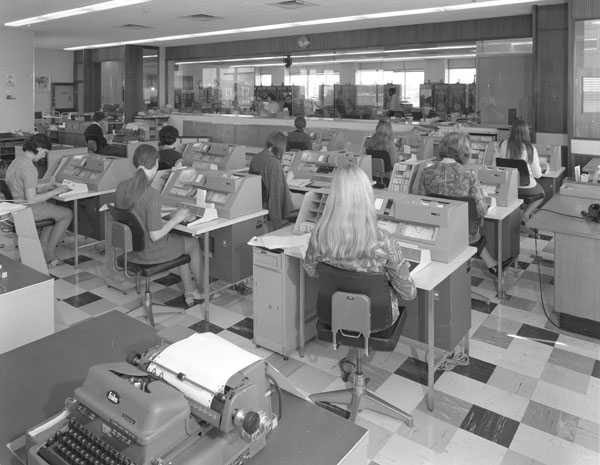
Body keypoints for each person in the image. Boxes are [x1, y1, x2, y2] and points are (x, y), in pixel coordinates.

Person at [304, 163, 416, 381]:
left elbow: (310, 270)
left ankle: (350, 361)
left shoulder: (319, 235)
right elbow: (408, 293)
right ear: (366, 196)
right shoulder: (384, 240)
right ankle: (352, 362)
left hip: (334, 315)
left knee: (352, 300)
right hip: (379, 321)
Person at [114, 144, 204, 308]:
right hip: (150, 253)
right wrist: (175, 219)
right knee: (193, 243)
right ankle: (204, 290)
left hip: (130, 252)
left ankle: (189, 290)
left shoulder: (121, 186)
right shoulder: (152, 195)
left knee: (181, 241)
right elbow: (155, 235)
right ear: (156, 163)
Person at [417, 132, 510, 277]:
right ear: (464, 152)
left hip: (437, 230)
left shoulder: (426, 172)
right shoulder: (468, 175)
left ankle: (493, 266)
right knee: (475, 234)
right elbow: (481, 210)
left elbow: (422, 202)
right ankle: (493, 267)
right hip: (464, 233)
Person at [6, 133, 73, 267]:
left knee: (53, 206)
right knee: (66, 214)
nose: (44, 156)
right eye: (45, 152)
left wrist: (43, 186)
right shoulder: (30, 167)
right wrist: (56, 190)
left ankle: (43, 246)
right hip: (26, 209)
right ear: (39, 148)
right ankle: (51, 253)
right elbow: (32, 199)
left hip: (14, 206)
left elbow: (20, 183)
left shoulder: (17, 161)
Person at [495, 119, 545, 233]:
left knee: (519, 197)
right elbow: (537, 175)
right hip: (526, 187)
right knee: (541, 194)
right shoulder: (530, 149)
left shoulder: (502, 144)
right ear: (526, 132)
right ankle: (525, 215)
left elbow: (496, 165)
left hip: (507, 187)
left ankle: (520, 214)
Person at [249, 131, 295, 231]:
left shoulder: (256, 158)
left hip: (258, 204)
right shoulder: (275, 164)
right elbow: (277, 194)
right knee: (303, 199)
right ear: (281, 146)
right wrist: (287, 180)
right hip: (271, 210)